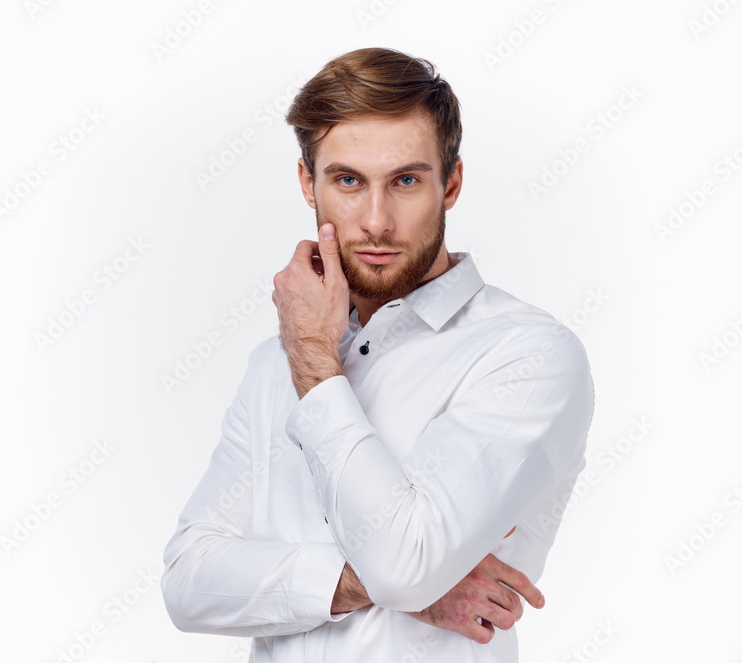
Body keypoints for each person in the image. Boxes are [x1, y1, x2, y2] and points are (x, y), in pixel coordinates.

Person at [162, 47, 594, 662]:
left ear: (452, 184)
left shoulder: (526, 355)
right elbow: (187, 581)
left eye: (406, 181)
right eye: (348, 181)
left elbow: (403, 567)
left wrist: (315, 363)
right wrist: (369, 583)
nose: (376, 221)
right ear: (308, 183)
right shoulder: (276, 361)